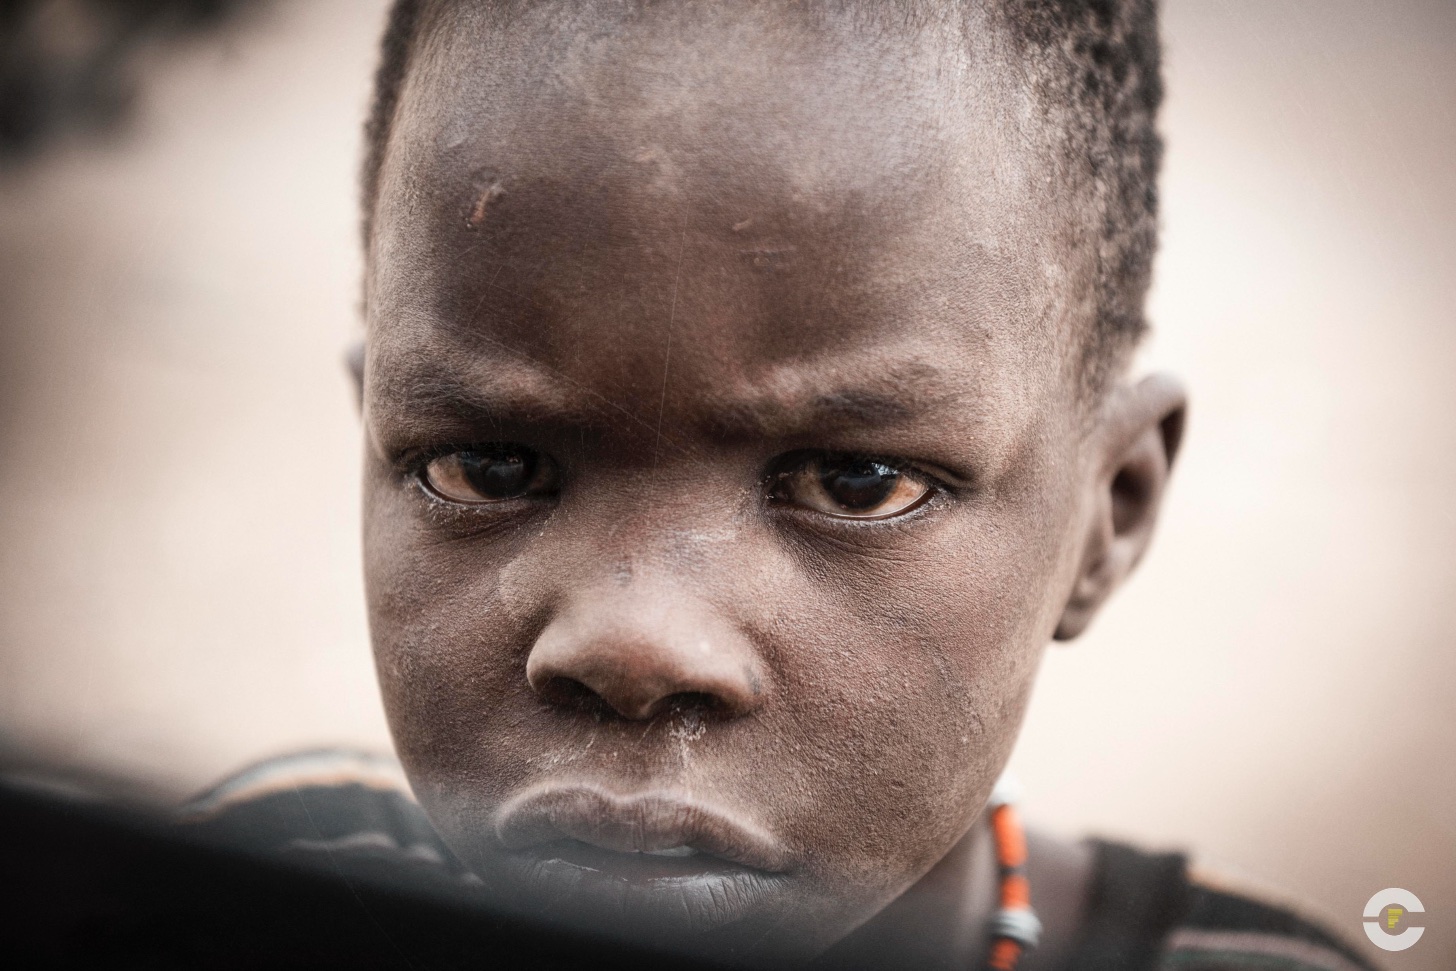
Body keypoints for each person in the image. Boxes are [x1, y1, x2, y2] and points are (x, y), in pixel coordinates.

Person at [184, 2, 1377, 969]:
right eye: (487, 463)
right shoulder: (248, 892)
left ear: (1107, 514)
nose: (636, 642)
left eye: (857, 482)